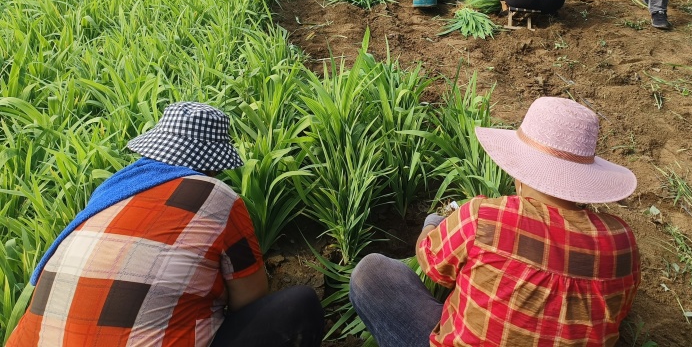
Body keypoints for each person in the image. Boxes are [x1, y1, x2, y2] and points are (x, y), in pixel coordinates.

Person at [7, 102, 324, 347]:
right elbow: (250, 300)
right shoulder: (218, 197)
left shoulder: (107, 199)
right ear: (212, 162)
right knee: (298, 305)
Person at [349, 96, 640, 347]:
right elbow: (620, 312)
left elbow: (430, 261)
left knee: (371, 273)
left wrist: (432, 223)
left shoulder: (485, 217)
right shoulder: (622, 244)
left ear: (520, 172)